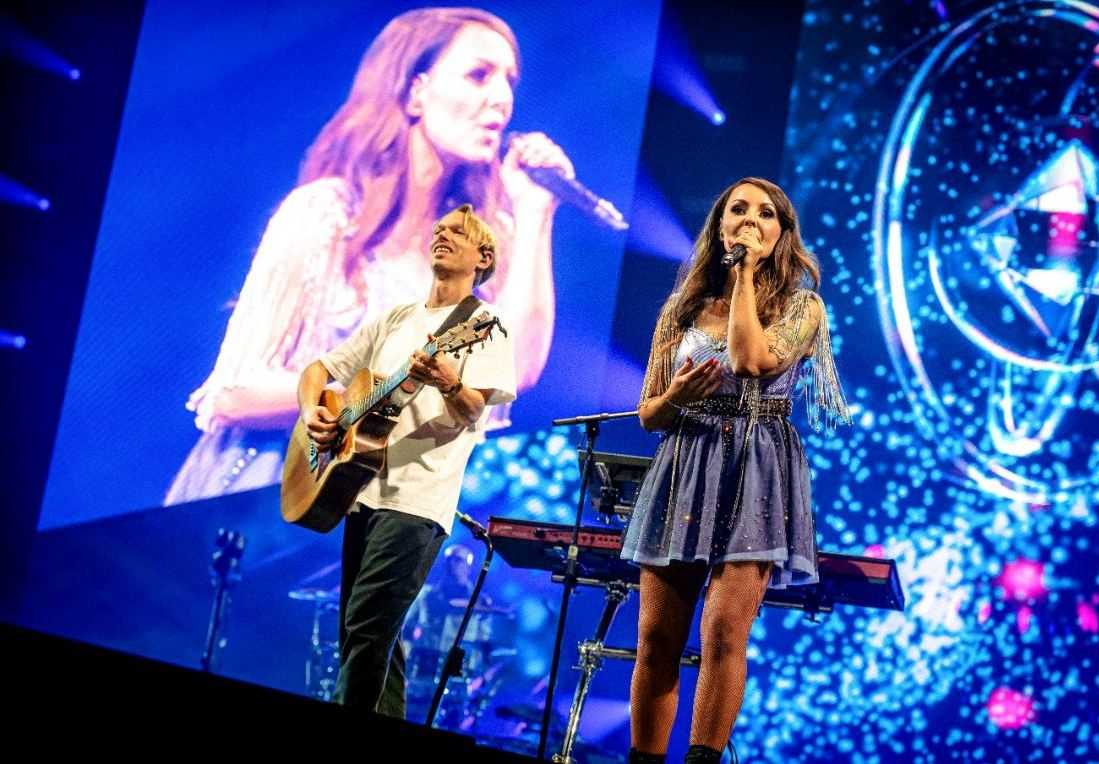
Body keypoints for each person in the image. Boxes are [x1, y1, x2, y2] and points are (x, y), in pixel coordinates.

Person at [166, 6, 570, 504]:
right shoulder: (327, 215)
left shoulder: (479, 247)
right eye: (478, 75)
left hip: (378, 510)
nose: (502, 100)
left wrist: (535, 212)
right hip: (265, 493)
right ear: (415, 90)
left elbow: (515, 371)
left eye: (509, 81)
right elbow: (232, 395)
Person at [620, 178, 852, 763]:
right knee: (655, 639)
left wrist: (745, 275)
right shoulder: (683, 310)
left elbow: (751, 361)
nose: (751, 220)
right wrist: (675, 395)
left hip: (756, 467)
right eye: (738, 210)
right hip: (685, 461)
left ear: (781, 235)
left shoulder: (803, 306)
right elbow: (649, 413)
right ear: (719, 226)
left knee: (724, 635)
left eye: (766, 214)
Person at [297, 204, 516, 719]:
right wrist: (314, 413)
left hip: (417, 504)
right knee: (371, 638)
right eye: (439, 230)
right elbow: (319, 369)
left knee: (366, 628)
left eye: (457, 233)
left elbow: (471, 412)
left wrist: (449, 382)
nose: (442, 236)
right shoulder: (397, 317)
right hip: (360, 492)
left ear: (483, 256)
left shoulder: (483, 326)